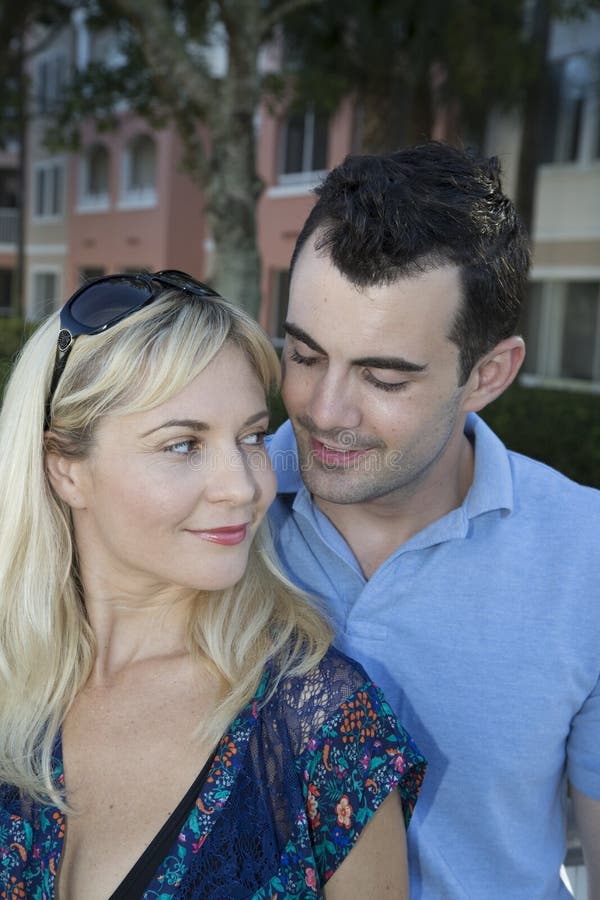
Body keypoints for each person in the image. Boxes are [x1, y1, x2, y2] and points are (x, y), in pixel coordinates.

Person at [0, 271, 426, 900]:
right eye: (183, 445)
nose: (243, 486)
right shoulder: (13, 679)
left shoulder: (322, 723)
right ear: (65, 469)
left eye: (251, 437)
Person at [267, 142, 600, 899]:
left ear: (488, 374)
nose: (326, 411)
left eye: (384, 377)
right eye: (305, 355)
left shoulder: (587, 557)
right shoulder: (208, 512)